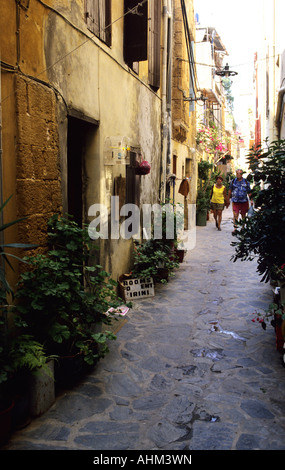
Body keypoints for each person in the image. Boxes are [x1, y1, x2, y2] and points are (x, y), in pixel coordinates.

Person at [228, 169, 252, 233]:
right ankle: (235, 228)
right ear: (236, 174)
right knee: (235, 215)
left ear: (242, 174)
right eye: (237, 173)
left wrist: (251, 200)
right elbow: (230, 190)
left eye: (240, 173)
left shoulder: (246, 182)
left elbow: (249, 191)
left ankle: (243, 227)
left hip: (244, 201)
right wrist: (228, 199)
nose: (238, 175)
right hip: (235, 201)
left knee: (243, 215)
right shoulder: (233, 181)